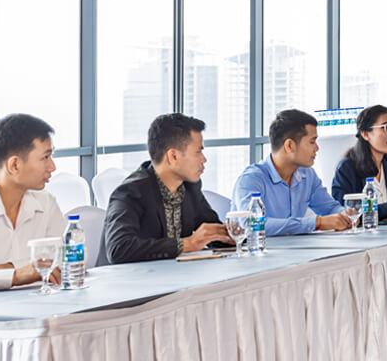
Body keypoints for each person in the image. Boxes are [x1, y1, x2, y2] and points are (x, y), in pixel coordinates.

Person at [101, 113, 228, 264]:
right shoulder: (130, 193)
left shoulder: (190, 187)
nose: (204, 159)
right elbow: (119, 249)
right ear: (173, 156)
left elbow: (211, 232)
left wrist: (230, 236)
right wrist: (187, 244)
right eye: (198, 152)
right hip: (132, 282)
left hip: (177, 279)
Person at [0, 114, 66, 290]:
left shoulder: (46, 203)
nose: (52, 167)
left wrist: (10, 268)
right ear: (14, 165)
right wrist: (17, 275)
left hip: (39, 310)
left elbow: (74, 257)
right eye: (45, 157)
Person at [233, 109, 352, 236]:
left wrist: (345, 215)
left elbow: (329, 208)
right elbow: (251, 224)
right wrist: (316, 223)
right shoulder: (252, 179)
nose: (317, 148)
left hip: (297, 251)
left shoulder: (308, 175)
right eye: (312, 142)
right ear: (289, 145)